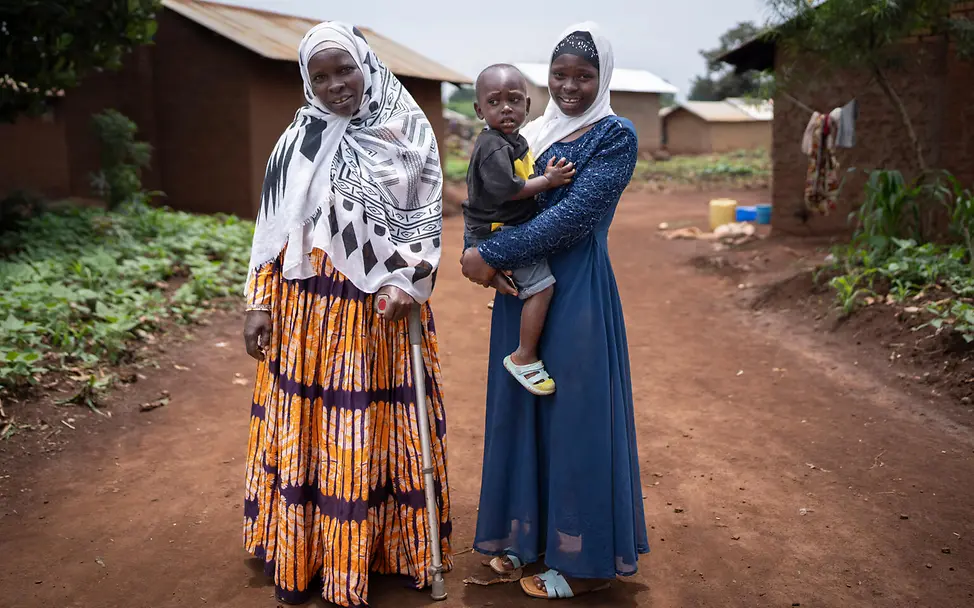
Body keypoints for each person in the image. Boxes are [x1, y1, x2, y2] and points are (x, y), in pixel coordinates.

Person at [241, 22, 451, 607]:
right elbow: (272, 228)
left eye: (344, 70)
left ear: (366, 65)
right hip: (304, 311)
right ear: (307, 82)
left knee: (367, 427)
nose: (336, 85)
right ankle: (308, 554)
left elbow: (425, 218)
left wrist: (411, 279)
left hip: (376, 315)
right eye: (321, 76)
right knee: (310, 429)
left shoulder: (406, 131)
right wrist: (258, 301)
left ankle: (380, 553)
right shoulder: (298, 138)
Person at [460, 22, 649, 600]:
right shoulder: (532, 133)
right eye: (559, 74)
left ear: (603, 77)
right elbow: (491, 197)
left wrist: (488, 255)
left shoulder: (615, 135)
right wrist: (479, 251)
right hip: (520, 290)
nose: (569, 86)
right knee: (523, 414)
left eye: (584, 76)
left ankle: (587, 565)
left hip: (575, 289)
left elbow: (573, 219)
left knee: (575, 417)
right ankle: (532, 539)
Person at [462, 64, 575, 396]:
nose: (506, 108)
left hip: (500, 226)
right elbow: (510, 190)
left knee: (527, 283)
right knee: (542, 289)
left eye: (513, 100)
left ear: (527, 105)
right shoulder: (493, 146)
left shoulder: (512, 140)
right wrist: (548, 181)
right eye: (494, 102)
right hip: (497, 231)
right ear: (479, 110)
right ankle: (524, 356)